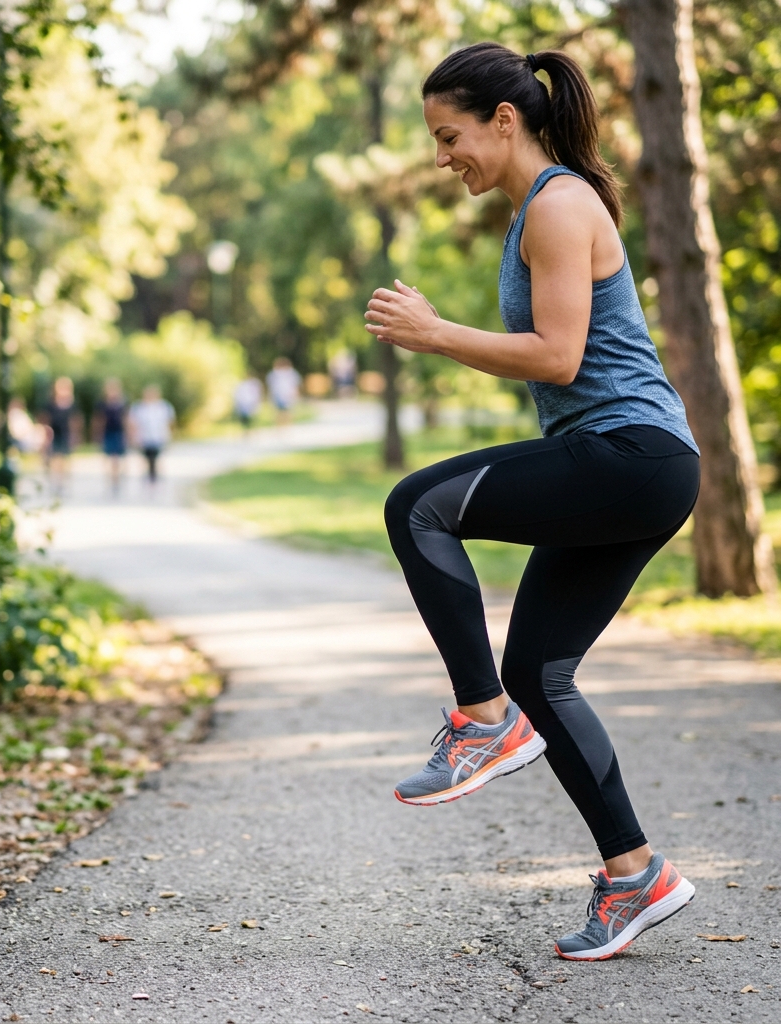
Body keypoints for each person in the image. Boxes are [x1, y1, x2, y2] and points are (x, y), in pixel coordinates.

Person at [364, 43, 700, 962]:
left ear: (503, 120)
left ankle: (479, 721)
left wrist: (436, 336)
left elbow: (557, 355)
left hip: (629, 454)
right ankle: (637, 875)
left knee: (416, 506)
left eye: (450, 135)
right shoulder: (541, 209)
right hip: (638, 464)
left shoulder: (557, 203)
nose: (443, 157)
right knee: (543, 675)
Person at [130, 384, 176, 484]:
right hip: (144, 438)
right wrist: (133, 437)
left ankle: (156, 479)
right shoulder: (139, 407)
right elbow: (133, 424)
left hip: (159, 438)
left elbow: (170, 423)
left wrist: (170, 436)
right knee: (146, 460)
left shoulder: (164, 407)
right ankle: (147, 477)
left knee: (157, 459)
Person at [42, 377, 77, 496]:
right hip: (54, 433)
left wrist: (75, 435)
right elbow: (46, 419)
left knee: (65, 459)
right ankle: (57, 481)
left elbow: (75, 420)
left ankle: (63, 482)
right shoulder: (51, 403)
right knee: (55, 458)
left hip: (66, 433)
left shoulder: (72, 404)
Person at [93, 378, 128, 493]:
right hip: (107, 433)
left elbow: (126, 419)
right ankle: (111, 479)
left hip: (119, 432)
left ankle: (116, 480)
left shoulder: (122, 403)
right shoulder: (102, 404)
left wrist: (128, 433)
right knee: (108, 458)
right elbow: (99, 420)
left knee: (117, 459)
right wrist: (97, 434)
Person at [266, 356, 301, 424]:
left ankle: (286, 425)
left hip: (286, 395)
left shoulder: (290, 373)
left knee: (286, 411)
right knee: (280, 411)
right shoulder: (274, 373)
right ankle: (282, 425)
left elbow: (294, 384)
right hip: (279, 394)